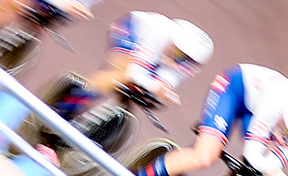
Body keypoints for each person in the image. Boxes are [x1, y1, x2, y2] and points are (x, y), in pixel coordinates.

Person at [130, 63, 288, 176]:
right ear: (284, 117)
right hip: (234, 91)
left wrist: (273, 171)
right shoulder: (277, 103)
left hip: (257, 111)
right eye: (285, 131)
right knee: (205, 156)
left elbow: (271, 162)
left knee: (251, 172)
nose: (282, 139)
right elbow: (252, 154)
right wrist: (271, 172)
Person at [39, 11, 212, 150]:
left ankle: (95, 130)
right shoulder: (160, 32)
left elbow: (167, 81)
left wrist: (163, 91)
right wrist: (154, 87)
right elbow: (134, 71)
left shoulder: (189, 65)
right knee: (119, 75)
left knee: (133, 95)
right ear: (173, 41)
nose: (177, 58)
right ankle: (63, 111)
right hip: (132, 33)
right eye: (177, 52)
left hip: (153, 56)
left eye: (183, 58)